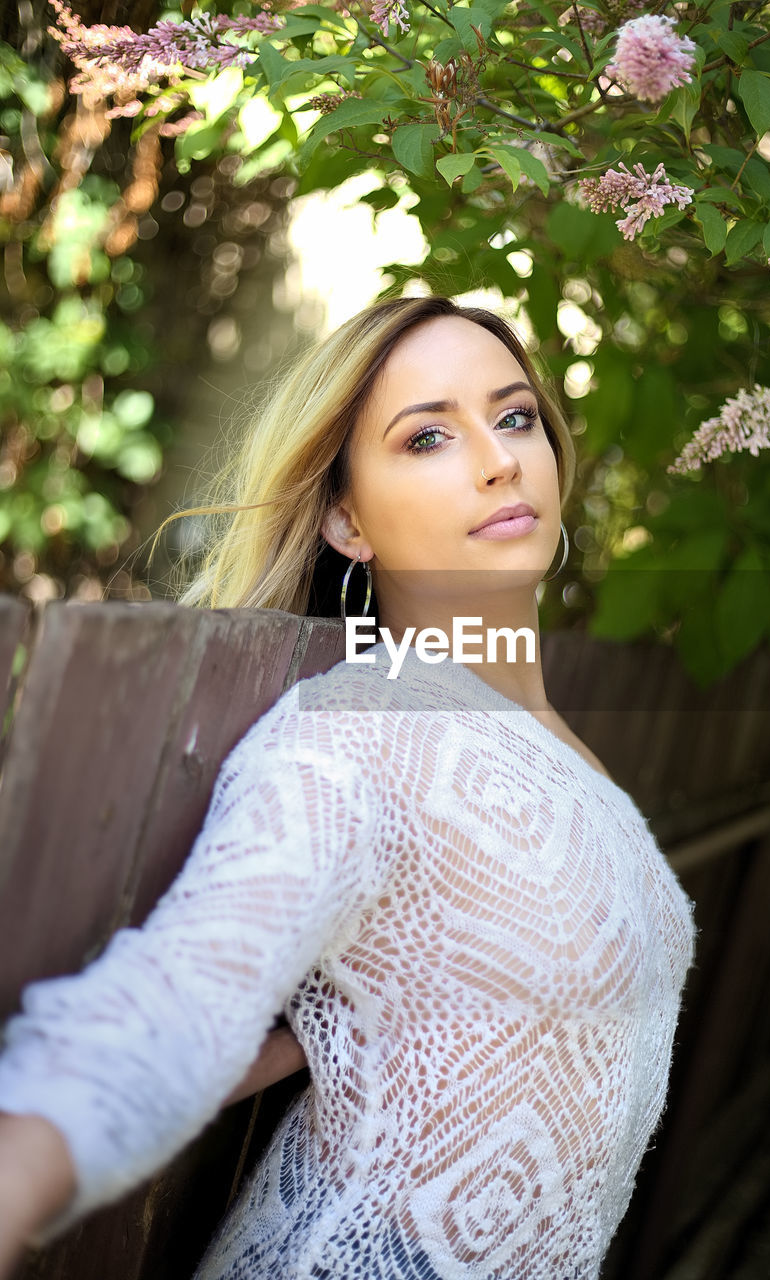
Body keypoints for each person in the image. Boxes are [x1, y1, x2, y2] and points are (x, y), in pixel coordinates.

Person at [0, 294, 695, 1279]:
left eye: (513, 416)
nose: (497, 457)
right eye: (426, 437)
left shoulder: (553, 740)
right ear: (345, 517)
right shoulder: (356, 728)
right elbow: (173, 1001)